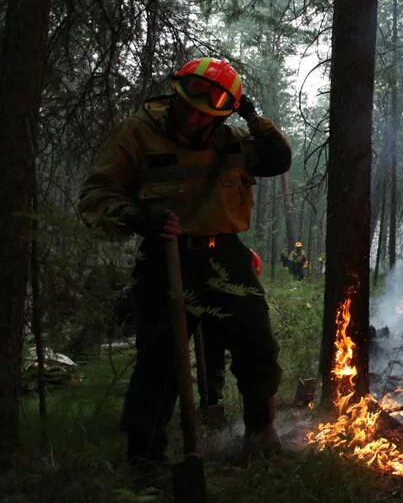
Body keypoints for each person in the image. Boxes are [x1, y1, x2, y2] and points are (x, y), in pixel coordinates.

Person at [78, 57, 292, 471]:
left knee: (258, 346)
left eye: (207, 114)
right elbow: (98, 194)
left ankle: (260, 433)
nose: (195, 119)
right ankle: (145, 457)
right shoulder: (138, 133)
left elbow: (277, 159)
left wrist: (250, 115)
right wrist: (137, 218)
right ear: (175, 95)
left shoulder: (231, 140)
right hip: (165, 255)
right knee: (159, 362)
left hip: (226, 256)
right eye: (190, 108)